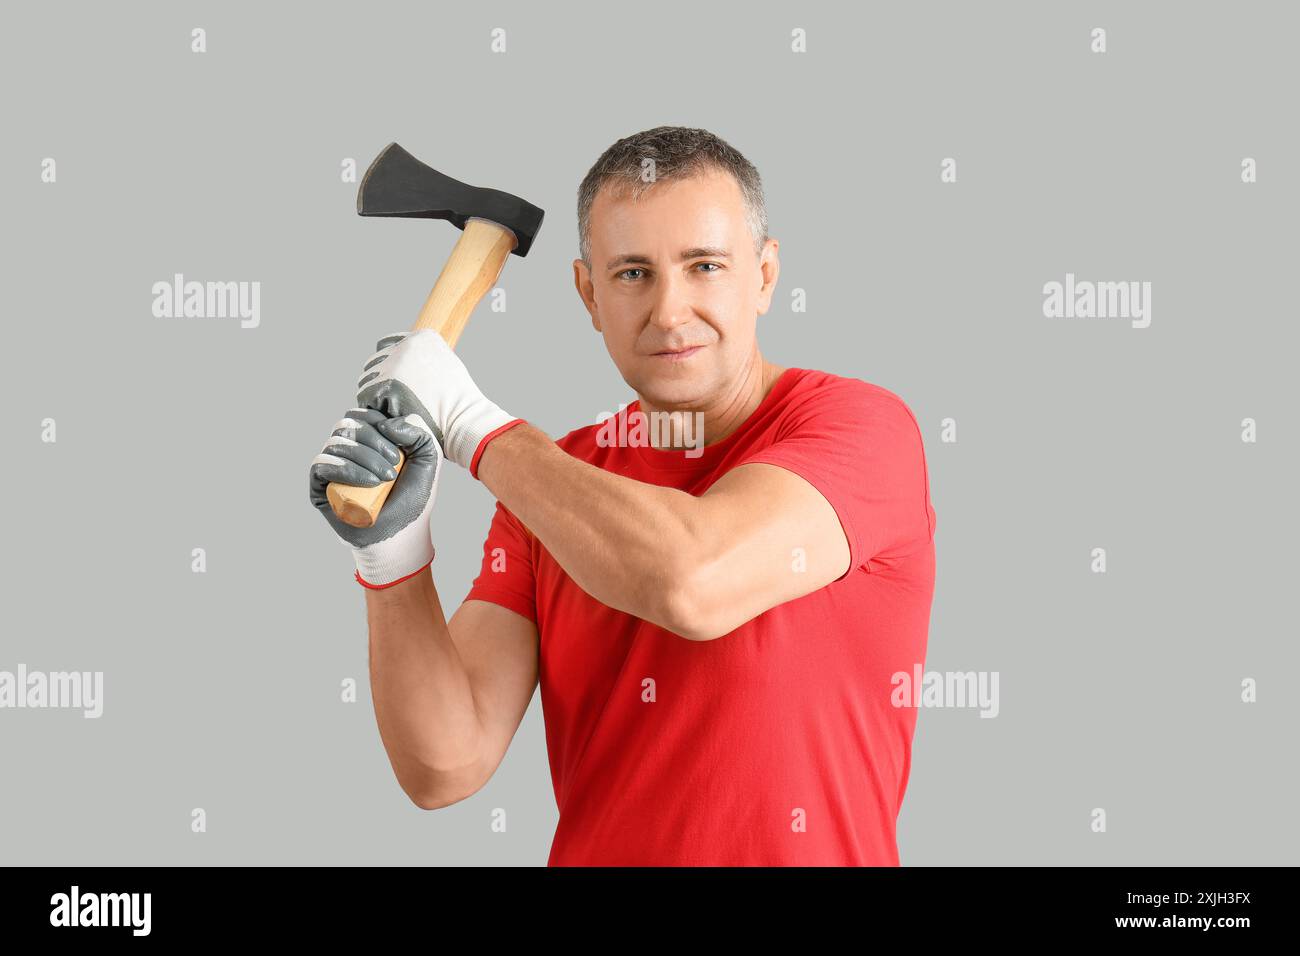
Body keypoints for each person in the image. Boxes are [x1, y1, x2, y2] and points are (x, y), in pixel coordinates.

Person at [309, 126, 937, 866]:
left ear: (766, 276)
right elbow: (445, 765)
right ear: (589, 294)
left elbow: (691, 581)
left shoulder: (860, 429)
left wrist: (474, 426)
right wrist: (394, 560)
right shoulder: (553, 483)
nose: (670, 312)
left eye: (705, 266)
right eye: (633, 273)